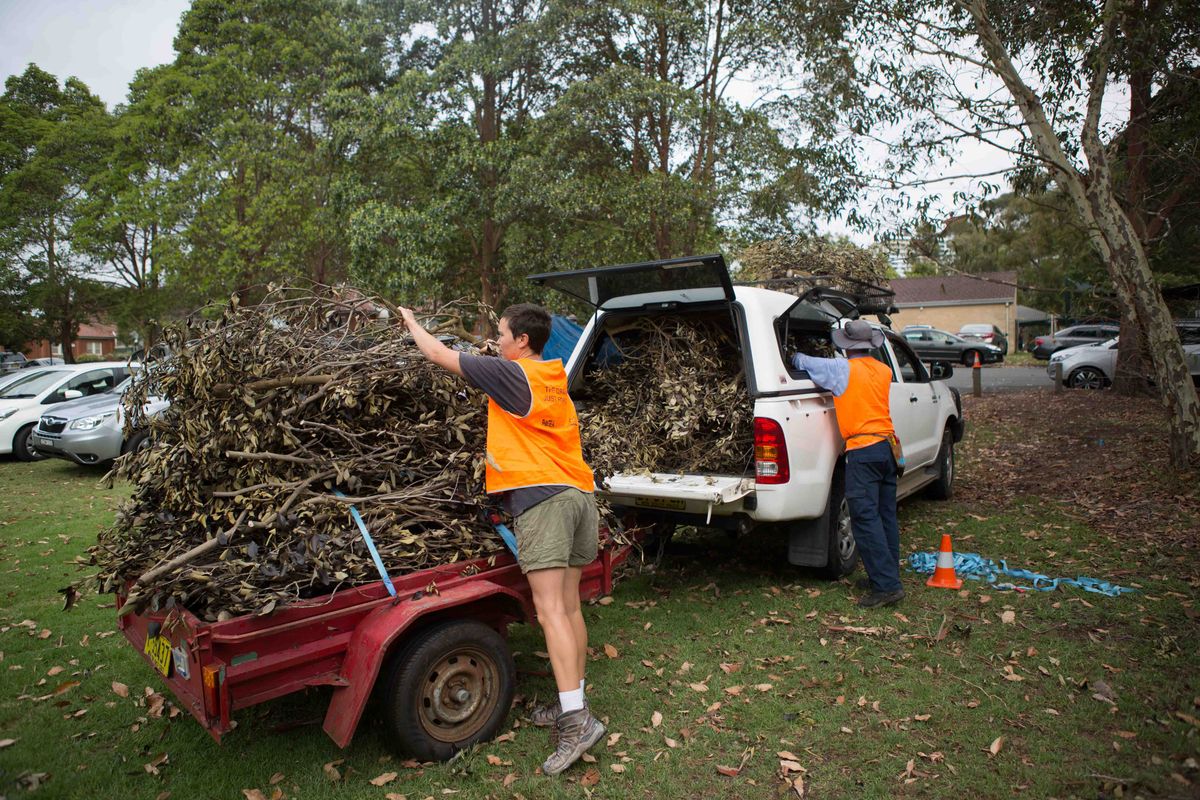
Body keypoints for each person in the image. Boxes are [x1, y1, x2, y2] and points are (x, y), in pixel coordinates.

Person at [397, 302, 605, 776]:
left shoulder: (510, 375)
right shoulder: (550, 378)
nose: (496, 338)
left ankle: (577, 722)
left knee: (550, 611)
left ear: (522, 341)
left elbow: (436, 354)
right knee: (569, 609)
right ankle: (572, 698)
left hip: (544, 502)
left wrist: (411, 323)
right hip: (579, 496)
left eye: (501, 332)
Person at [791, 319, 904, 608]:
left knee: (865, 520)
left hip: (863, 450)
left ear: (846, 346)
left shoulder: (842, 370)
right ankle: (887, 574)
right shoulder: (883, 370)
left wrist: (793, 353)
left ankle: (887, 587)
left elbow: (805, 362)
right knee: (885, 515)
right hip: (887, 448)